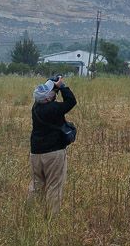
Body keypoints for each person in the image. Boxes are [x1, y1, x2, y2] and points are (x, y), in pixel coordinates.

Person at [28, 76, 76, 213]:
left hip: (35, 153)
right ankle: (52, 219)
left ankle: (30, 215)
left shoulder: (36, 108)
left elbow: (47, 96)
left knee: (37, 186)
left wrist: (53, 85)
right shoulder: (54, 108)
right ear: (48, 99)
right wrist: (62, 86)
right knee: (54, 186)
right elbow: (71, 101)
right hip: (53, 153)